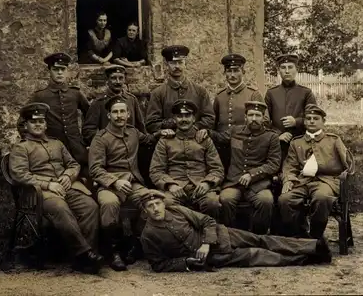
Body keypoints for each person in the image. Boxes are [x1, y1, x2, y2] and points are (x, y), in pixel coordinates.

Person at [9, 103, 103, 274]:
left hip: (68, 186)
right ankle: (84, 255)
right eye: (33, 122)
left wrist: (68, 175)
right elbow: (19, 174)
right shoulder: (21, 147)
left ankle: (83, 256)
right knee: (61, 208)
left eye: (41, 121)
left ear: (46, 125)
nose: (38, 125)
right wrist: (48, 184)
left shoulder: (57, 144)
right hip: (39, 192)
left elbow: (73, 164)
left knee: (90, 206)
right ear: (26, 125)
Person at [139, 189, 332, 272]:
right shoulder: (148, 235)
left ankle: (314, 246)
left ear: (163, 203)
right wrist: (186, 263)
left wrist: (206, 243)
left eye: (157, 203)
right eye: (150, 206)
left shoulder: (177, 210)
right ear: (145, 211)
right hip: (214, 258)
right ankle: (308, 258)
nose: (155, 209)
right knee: (259, 256)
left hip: (222, 235)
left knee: (262, 240)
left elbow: (206, 220)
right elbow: (159, 265)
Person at [89, 95, 174, 271]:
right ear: (109, 115)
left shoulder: (133, 132)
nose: (119, 116)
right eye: (115, 112)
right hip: (109, 185)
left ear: (128, 114)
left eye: (122, 111)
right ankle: (114, 252)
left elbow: (148, 140)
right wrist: (115, 182)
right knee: (109, 204)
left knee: (150, 200)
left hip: (134, 183)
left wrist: (161, 132)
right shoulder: (100, 138)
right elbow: (95, 169)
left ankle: (136, 245)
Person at [200, 101, 281, 234]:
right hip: (234, 182)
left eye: (258, 115)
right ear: (245, 117)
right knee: (226, 199)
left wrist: (252, 174)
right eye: (250, 115)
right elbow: (219, 138)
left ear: (263, 118)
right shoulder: (235, 131)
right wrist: (206, 131)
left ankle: (257, 235)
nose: (254, 119)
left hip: (259, 184)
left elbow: (273, 164)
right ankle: (231, 234)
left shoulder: (271, 137)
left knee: (266, 201)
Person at [278, 104, 355, 239]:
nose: (312, 121)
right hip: (302, 182)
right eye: (308, 118)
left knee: (322, 198)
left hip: (327, 182)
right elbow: (290, 166)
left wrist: (343, 178)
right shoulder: (297, 142)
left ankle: (315, 237)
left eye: (316, 118)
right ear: (304, 121)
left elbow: (348, 165)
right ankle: (298, 235)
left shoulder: (333, 140)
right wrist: (288, 179)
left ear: (323, 122)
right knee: (285, 199)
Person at [149, 99, 223, 219]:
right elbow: (155, 170)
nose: (184, 119)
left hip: (200, 187)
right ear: (174, 119)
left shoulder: (205, 140)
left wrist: (207, 183)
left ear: (194, 118)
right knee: (166, 203)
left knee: (212, 203)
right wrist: (170, 185)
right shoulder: (165, 141)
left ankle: (209, 233)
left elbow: (217, 168)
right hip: (175, 187)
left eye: (187, 116)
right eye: (179, 116)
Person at [18, 53, 90, 176]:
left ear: (67, 71)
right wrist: (36, 143)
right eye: (55, 69)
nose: (60, 73)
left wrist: (85, 139)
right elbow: (21, 122)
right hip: (53, 150)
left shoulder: (75, 94)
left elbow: (90, 115)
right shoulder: (40, 96)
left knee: (85, 177)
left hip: (77, 148)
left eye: (62, 69)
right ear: (49, 71)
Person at [213, 53, 268, 171]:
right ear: (224, 73)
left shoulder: (253, 94)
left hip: (245, 147)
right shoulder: (219, 96)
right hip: (222, 147)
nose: (232, 75)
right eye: (229, 71)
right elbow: (214, 121)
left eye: (236, 70)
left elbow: (265, 120)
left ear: (243, 71)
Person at [145, 45, 215, 133]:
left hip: (196, 141)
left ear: (186, 64)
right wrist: (170, 125)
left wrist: (196, 127)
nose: (177, 66)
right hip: (168, 142)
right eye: (173, 63)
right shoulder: (158, 93)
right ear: (166, 65)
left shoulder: (200, 91)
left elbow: (210, 118)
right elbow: (151, 124)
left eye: (180, 62)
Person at [264, 54, 317, 163]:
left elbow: (315, 119)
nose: (287, 71)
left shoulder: (306, 93)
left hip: (301, 141)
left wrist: (296, 122)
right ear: (279, 71)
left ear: (296, 69)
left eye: (290, 67)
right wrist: (278, 134)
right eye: (283, 68)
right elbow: (265, 121)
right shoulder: (271, 93)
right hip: (277, 144)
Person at [82, 65, 146, 145]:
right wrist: (104, 141)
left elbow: (140, 126)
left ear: (124, 80)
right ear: (107, 80)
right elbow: (88, 130)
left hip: (130, 148)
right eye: (113, 78)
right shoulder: (99, 102)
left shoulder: (131, 100)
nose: (118, 81)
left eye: (121, 78)